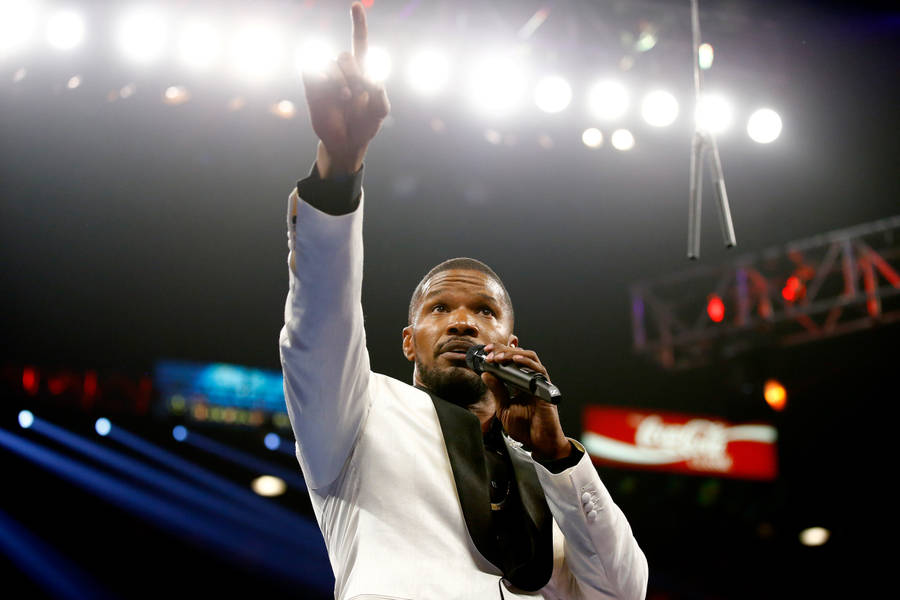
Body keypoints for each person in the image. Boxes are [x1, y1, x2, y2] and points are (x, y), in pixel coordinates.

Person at [279, 3, 648, 598]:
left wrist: (557, 457)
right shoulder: (359, 418)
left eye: (484, 312)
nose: (462, 323)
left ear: (511, 344)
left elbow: (623, 593)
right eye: (438, 310)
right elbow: (319, 323)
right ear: (409, 341)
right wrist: (339, 172)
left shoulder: (546, 477)